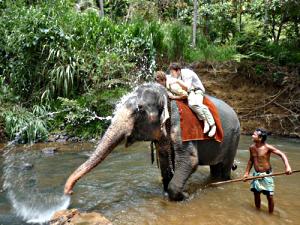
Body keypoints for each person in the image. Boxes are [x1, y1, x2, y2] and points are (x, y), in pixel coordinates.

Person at [243, 128, 292, 213]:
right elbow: (251, 160)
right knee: (256, 194)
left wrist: (287, 167)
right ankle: (257, 211)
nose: (252, 135)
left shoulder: (267, 147)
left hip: (267, 175)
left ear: (260, 138)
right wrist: (246, 173)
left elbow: (282, 154)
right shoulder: (252, 148)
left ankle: (270, 214)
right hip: (257, 174)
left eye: (254, 135)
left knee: (270, 196)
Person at [169, 63, 216, 137]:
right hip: (190, 92)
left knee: (194, 104)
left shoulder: (187, 73)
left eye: (172, 72)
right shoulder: (177, 76)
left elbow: (187, 87)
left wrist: (177, 81)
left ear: (178, 70)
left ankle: (213, 125)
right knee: (192, 103)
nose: (171, 74)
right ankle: (205, 121)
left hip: (197, 90)